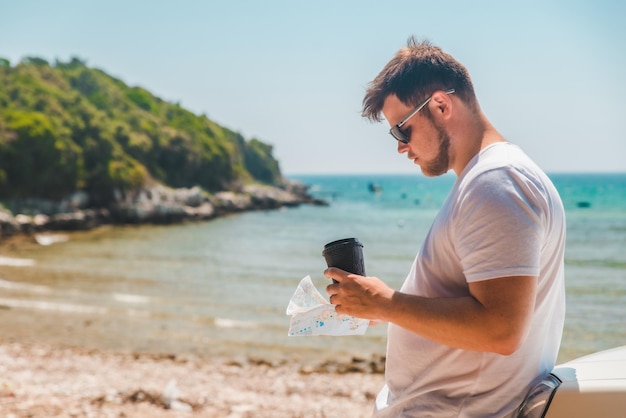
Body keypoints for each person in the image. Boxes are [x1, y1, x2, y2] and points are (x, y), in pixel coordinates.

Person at [324, 37, 566, 417]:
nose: (400, 147)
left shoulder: (497, 181)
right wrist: (383, 307)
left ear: (441, 104)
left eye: (402, 130)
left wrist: (386, 303)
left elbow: (500, 329)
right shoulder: (489, 179)